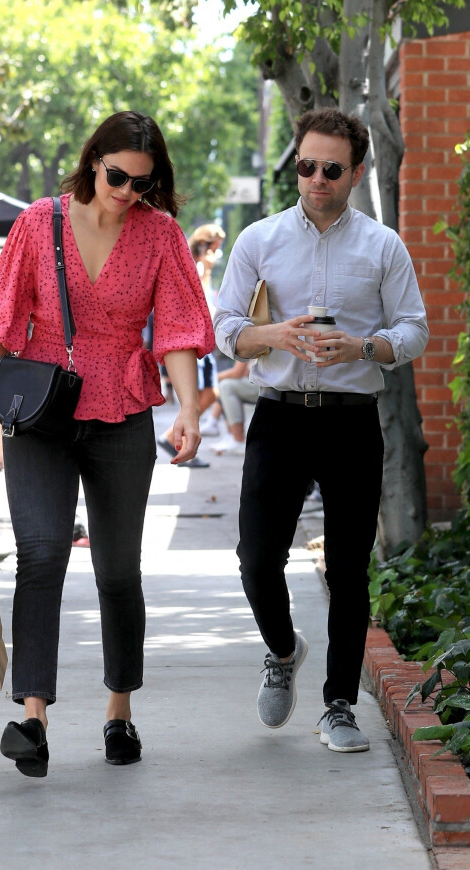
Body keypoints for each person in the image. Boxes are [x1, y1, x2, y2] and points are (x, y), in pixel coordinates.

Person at [0, 110, 215, 777]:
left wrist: (187, 411)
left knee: (118, 570)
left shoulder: (161, 236)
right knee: (40, 554)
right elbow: (1, 315)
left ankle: (118, 711)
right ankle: (32, 718)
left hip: (122, 408)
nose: (127, 192)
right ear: (94, 160)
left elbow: (178, 329)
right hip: (42, 410)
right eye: (118, 176)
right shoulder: (40, 223)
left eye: (142, 184)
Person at [214, 107, 429, 753]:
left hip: (350, 421)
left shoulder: (382, 245)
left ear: (356, 173)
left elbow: (414, 330)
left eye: (330, 169)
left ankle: (338, 705)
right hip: (279, 412)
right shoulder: (259, 240)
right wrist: (274, 335)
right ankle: (282, 652)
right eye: (305, 165)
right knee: (256, 560)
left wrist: (363, 348)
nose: (315, 178)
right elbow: (226, 329)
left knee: (349, 570)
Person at [157, 222, 225, 468]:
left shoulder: (201, 267)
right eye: (216, 248)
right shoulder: (194, 266)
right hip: (193, 338)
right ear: (206, 246)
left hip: (203, 336)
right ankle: (178, 443)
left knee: (208, 394)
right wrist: (205, 269)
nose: (218, 255)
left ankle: (173, 439)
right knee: (202, 395)